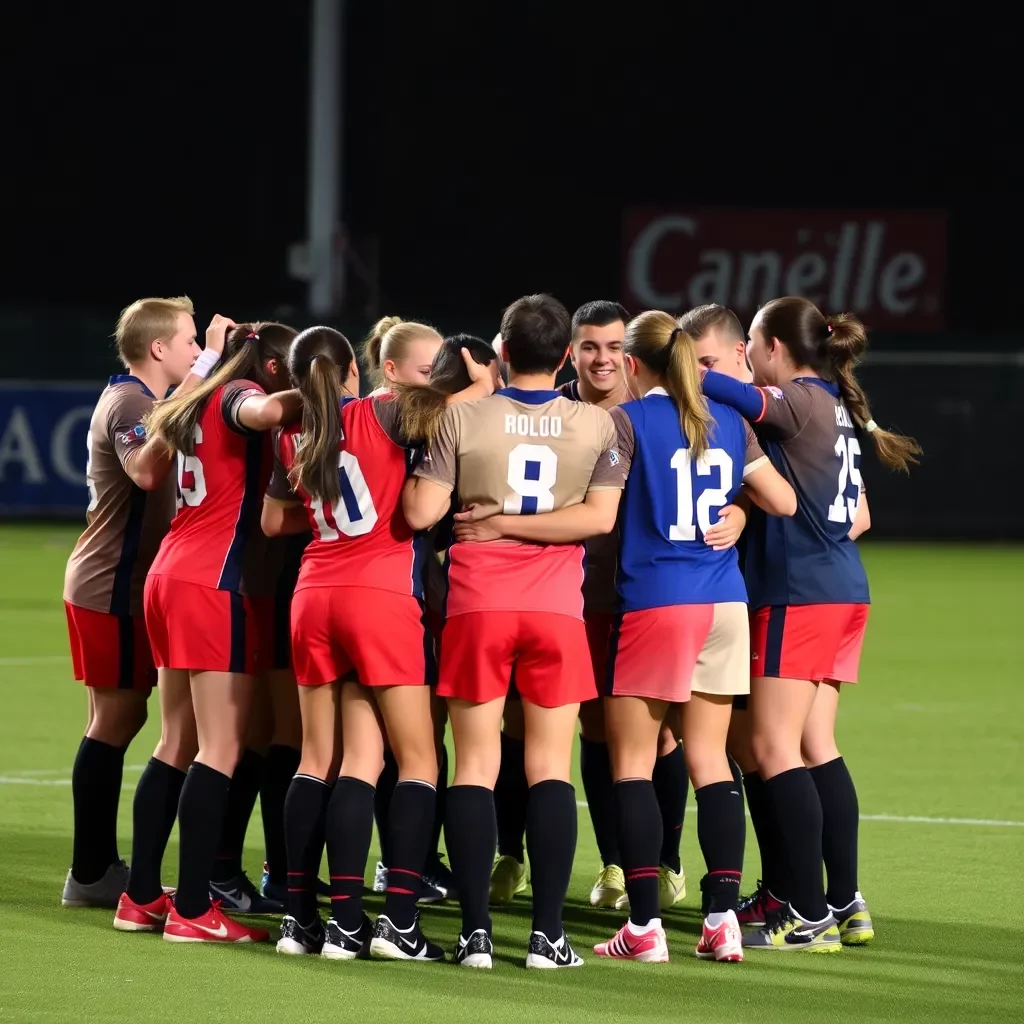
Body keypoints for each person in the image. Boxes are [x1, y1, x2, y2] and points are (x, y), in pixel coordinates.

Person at [404, 293, 625, 970]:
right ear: (565, 355)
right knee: (550, 769)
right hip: (557, 610)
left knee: (473, 765)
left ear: (502, 351)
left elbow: (421, 512)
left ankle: (474, 935)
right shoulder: (597, 427)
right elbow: (598, 521)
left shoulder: (462, 418)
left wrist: (489, 520)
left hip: (477, 605)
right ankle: (546, 937)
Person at [264, 327, 493, 962]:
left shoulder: (294, 431)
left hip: (313, 595)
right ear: (352, 374)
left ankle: (309, 922)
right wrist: (475, 374)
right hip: (381, 597)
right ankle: (397, 924)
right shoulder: (384, 410)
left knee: (327, 761)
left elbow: (271, 520)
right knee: (418, 761)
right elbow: (468, 400)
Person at [701, 296, 920, 951]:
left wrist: (683, 360)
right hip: (844, 587)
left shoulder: (796, 398)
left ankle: (806, 912)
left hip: (799, 592)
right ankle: (844, 900)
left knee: (770, 749)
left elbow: (726, 391)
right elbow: (863, 514)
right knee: (814, 744)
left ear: (769, 349)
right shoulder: (840, 404)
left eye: (752, 348)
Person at [491, 300, 693, 913]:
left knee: (641, 736)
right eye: (588, 347)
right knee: (525, 725)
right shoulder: (554, 413)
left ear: (628, 355)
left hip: (630, 598)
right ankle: (513, 854)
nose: (601, 359)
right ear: (569, 352)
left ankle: (657, 863)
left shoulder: (651, 415)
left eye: (612, 347)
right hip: (558, 596)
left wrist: (735, 512)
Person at [114, 319, 301, 944]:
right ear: (272, 367)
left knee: (175, 742)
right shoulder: (235, 397)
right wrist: (330, 388)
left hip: (170, 575)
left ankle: (140, 897)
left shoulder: (194, 397)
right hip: (213, 582)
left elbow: (154, 459)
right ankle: (194, 908)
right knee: (219, 747)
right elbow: (266, 407)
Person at [61, 295, 200, 909]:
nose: (197, 353)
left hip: (113, 579)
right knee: (117, 720)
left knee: (117, 718)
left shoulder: (142, 400)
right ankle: (91, 872)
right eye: (191, 343)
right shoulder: (131, 403)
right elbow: (146, 471)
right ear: (159, 349)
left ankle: (94, 869)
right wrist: (201, 378)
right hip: (110, 582)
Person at [358, 315, 452, 903]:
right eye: (427, 371)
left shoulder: (356, 415)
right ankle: (402, 872)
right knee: (411, 750)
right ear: (390, 371)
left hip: (359, 592)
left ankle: (326, 894)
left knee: (358, 754)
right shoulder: (399, 419)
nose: (438, 383)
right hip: (392, 594)